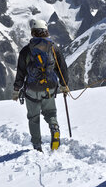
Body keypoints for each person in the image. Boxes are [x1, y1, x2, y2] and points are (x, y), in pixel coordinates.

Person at [13, 19, 70, 152]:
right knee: (50, 112)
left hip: (32, 89)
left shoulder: (26, 51)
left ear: (33, 33)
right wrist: (64, 85)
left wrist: (16, 90)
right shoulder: (54, 48)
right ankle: (54, 126)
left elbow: (21, 72)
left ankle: (37, 146)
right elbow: (62, 69)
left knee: (33, 118)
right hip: (49, 88)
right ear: (46, 31)